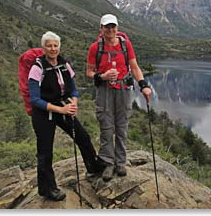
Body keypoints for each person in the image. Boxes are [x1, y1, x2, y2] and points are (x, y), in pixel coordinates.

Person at [28, 31, 100, 201]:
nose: (53, 49)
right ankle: (47, 189)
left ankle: (93, 167)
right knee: (45, 152)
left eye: (55, 45)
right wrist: (60, 110)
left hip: (64, 107)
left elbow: (73, 89)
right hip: (44, 113)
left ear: (59, 47)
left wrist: (74, 102)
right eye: (49, 46)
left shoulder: (64, 65)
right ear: (43, 48)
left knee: (83, 137)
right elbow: (35, 99)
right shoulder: (37, 68)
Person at [86, 14, 151, 181]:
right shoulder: (95, 47)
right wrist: (102, 76)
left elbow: (134, 67)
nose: (110, 30)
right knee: (106, 126)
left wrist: (143, 85)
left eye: (113, 26)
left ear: (117, 28)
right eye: (107, 27)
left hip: (124, 88)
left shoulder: (125, 44)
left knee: (122, 126)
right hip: (104, 90)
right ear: (101, 29)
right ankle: (108, 162)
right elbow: (89, 72)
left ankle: (121, 162)